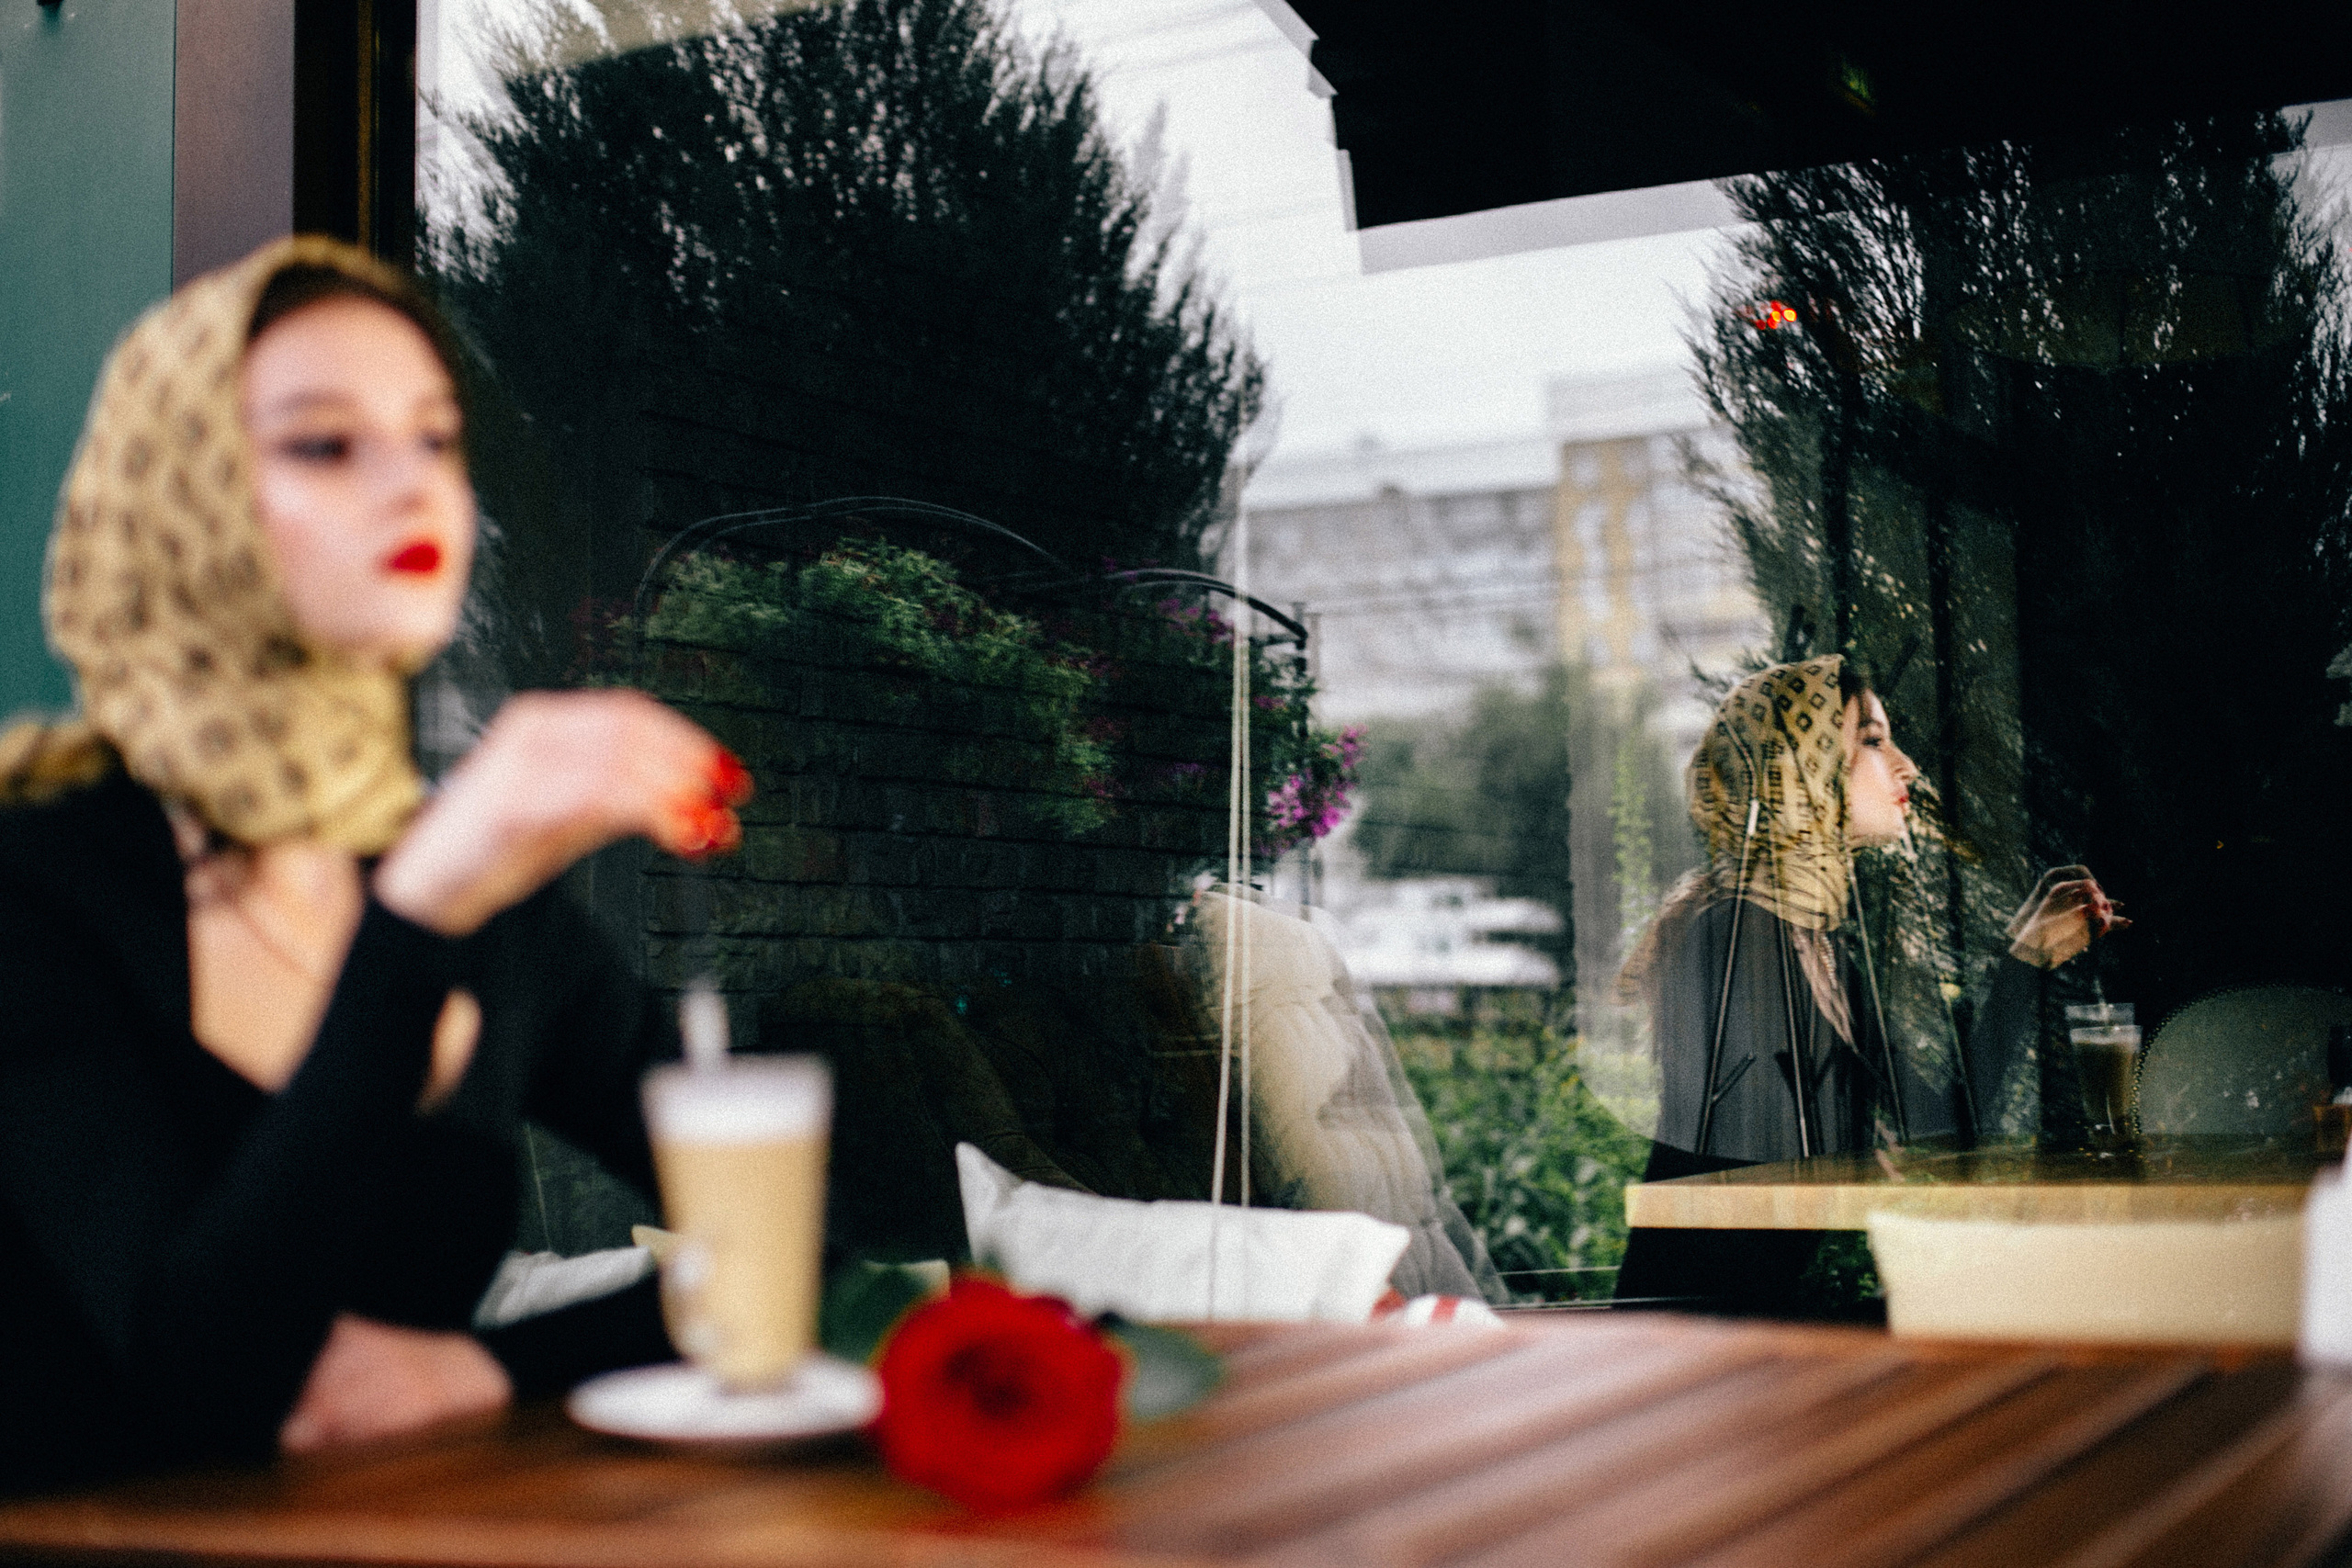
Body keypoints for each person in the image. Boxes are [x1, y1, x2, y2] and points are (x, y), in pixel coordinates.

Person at [0, 237, 752, 1493]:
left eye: (437, 438)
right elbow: (199, 1382)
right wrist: (414, 912)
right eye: (325, 443)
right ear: (185, 500)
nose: (413, 487)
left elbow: (814, 1253)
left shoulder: (494, 912)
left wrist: (485, 1370)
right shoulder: (38, 884)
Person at [1612, 657, 2125, 1314]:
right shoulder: (1730, 941)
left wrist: (2025, 956)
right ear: (1803, 771)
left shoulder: (1816, 951)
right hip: (1687, 1357)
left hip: (1749, 1336)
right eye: (1875, 742)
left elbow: (1942, 1124)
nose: (1906, 766)